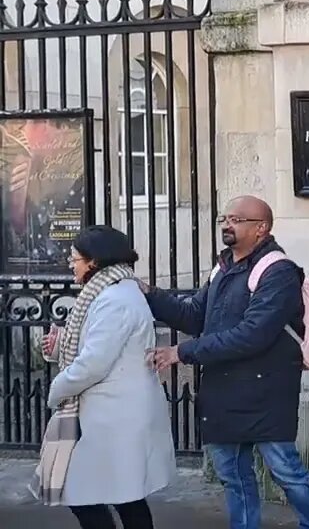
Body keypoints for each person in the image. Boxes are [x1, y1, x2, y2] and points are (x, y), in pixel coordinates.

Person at [145, 195, 309, 529]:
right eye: (224, 219)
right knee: (232, 474)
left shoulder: (278, 272)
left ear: (262, 228)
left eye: (236, 219)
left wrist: (181, 353)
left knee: (286, 471)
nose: (227, 225)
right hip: (224, 390)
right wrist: (149, 294)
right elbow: (192, 316)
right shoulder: (223, 268)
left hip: (266, 391)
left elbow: (253, 334)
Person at [31, 225, 175, 529]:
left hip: (114, 415)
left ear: (94, 261)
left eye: (75, 258)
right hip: (112, 414)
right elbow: (98, 348)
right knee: (124, 494)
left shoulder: (114, 298)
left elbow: (93, 364)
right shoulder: (111, 292)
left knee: (86, 494)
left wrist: (57, 389)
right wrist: (61, 348)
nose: (71, 264)